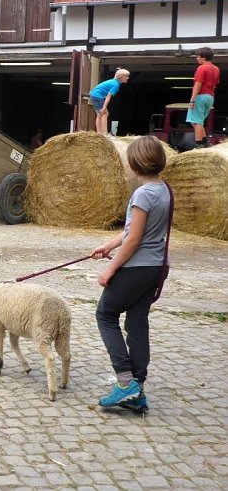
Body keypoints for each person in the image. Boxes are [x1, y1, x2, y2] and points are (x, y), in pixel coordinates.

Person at [90, 135, 171, 411]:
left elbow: (134, 240)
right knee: (137, 323)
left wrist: (110, 268)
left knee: (106, 314)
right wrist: (108, 245)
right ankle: (138, 389)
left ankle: (125, 383)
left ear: (135, 163)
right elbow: (134, 233)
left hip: (136, 266)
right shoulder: (164, 190)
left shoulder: (142, 194)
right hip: (156, 266)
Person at [187, 47, 221, 148]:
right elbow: (216, 83)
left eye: (198, 56)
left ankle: (199, 144)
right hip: (210, 96)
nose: (197, 58)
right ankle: (205, 141)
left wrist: (192, 100)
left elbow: (198, 84)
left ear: (204, 57)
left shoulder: (202, 68)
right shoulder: (216, 69)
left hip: (201, 96)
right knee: (198, 121)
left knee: (196, 121)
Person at [89, 69, 130, 136]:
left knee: (100, 114)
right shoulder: (116, 85)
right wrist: (104, 107)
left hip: (94, 95)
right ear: (121, 77)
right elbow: (108, 97)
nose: (128, 78)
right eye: (126, 76)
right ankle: (104, 133)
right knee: (105, 114)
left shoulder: (112, 82)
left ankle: (99, 133)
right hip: (98, 96)